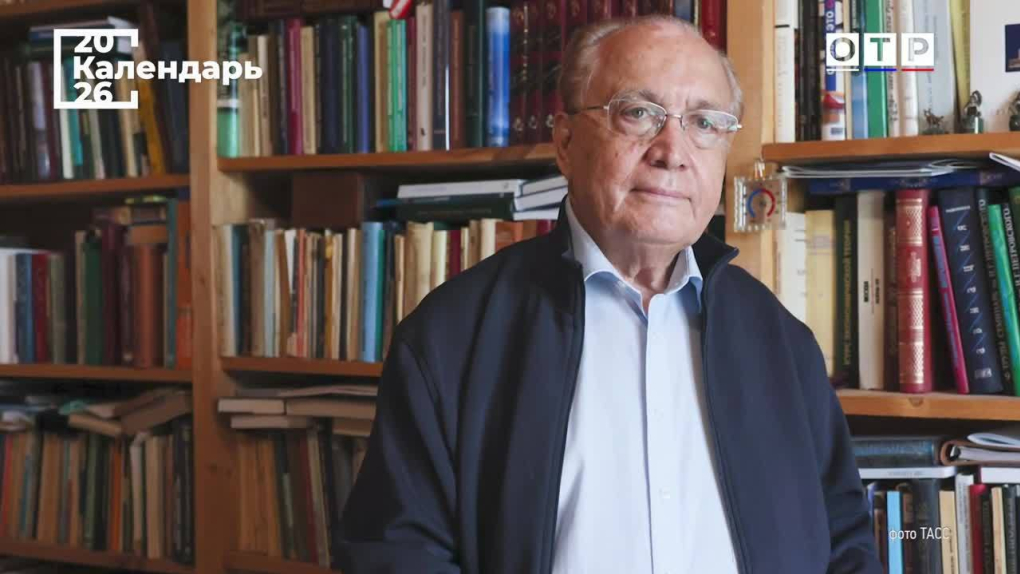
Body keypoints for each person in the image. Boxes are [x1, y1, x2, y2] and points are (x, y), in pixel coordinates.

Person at [338, 15, 881, 574]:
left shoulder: (784, 344)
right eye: (638, 113)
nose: (672, 151)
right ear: (566, 142)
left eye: (704, 122)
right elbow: (396, 555)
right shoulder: (450, 337)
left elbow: (844, 542)